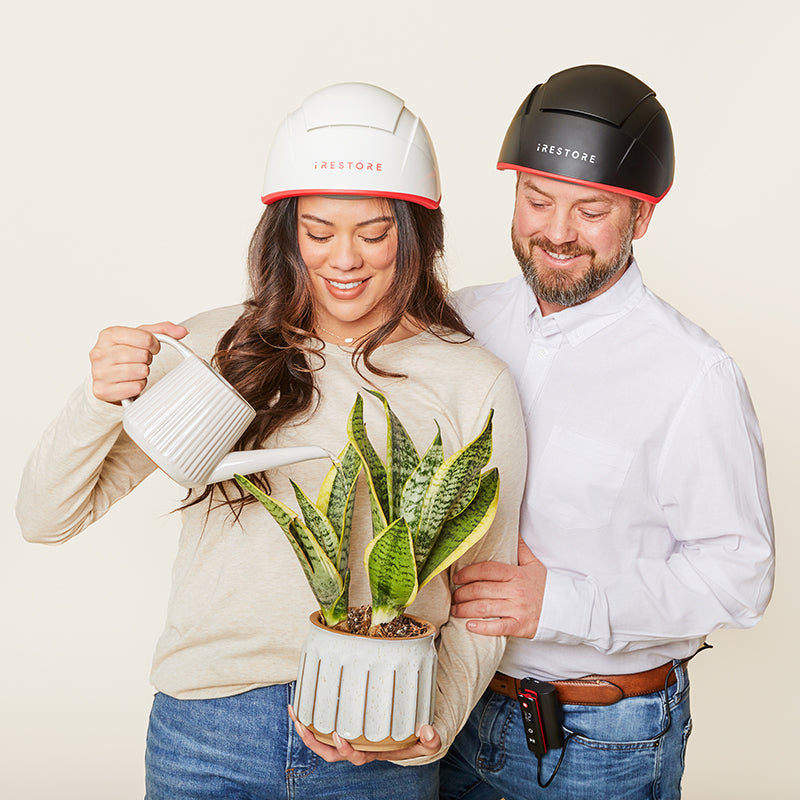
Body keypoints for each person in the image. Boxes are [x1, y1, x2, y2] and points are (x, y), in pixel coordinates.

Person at [16, 82, 526, 800]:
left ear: (415, 233)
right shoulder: (218, 348)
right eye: (318, 232)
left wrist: (429, 726)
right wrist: (99, 397)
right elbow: (45, 517)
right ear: (285, 232)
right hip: (207, 727)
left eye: (373, 233)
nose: (343, 259)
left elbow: (485, 594)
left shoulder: (473, 381)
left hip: (374, 734)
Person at [440, 64, 775, 800]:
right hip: (455, 705)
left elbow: (741, 578)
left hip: (602, 743)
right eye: (537, 200)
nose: (557, 233)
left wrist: (556, 603)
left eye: (591, 210)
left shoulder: (693, 375)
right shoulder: (462, 321)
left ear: (641, 216)